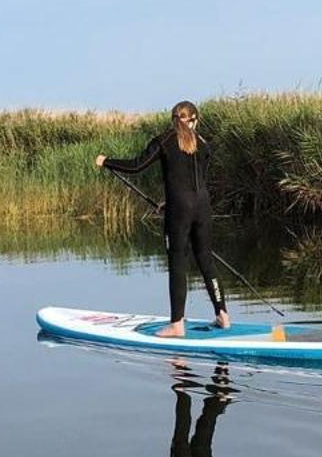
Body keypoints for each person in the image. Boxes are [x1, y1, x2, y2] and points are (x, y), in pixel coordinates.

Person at [95, 101, 229, 338]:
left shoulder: (164, 141)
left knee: (178, 263)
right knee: (206, 260)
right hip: (203, 207)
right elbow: (196, 181)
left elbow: (137, 166)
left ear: (173, 120)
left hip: (180, 210)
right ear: (195, 120)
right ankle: (223, 315)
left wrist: (107, 161)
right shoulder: (204, 145)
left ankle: (177, 325)